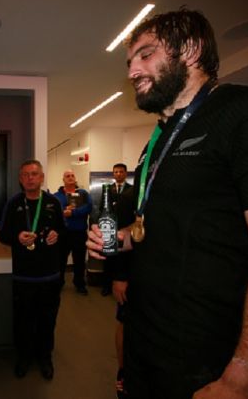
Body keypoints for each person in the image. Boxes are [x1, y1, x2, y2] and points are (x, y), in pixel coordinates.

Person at [86, 8, 248, 399]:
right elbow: (167, 221)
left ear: (192, 50)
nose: (132, 71)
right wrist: (125, 237)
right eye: (130, 62)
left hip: (209, 363)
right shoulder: (159, 138)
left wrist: (247, 377)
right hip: (147, 349)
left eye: (146, 55)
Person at [0, 159, 65, 381]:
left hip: (50, 275)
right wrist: (16, 237)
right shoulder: (13, 203)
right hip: (23, 276)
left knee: (48, 320)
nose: (30, 178)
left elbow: (63, 233)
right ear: (20, 179)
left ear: (42, 177)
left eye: (34, 174)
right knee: (23, 321)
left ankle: (45, 358)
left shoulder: (54, 203)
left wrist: (57, 235)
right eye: (25, 174)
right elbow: (2, 234)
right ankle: (23, 358)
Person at [106, 163, 136, 399]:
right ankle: (124, 371)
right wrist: (119, 276)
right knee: (125, 322)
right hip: (133, 270)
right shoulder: (129, 198)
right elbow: (120, 238)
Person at [53, 169, 92, 295]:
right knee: (60, 260)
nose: (70, 177)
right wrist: (64, 212)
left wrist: (73, 212)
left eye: (72, 175)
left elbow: (88, 207)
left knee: (79, 261)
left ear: (75, 179)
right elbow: (53, 211)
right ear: (63, 180)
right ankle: (59, 283)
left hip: (79, 233)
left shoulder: (83, 193)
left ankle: (79, 283)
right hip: (63, 234)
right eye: (67, 176)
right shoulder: (56, 196)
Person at [100, 163, 134, 297]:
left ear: (125, 173)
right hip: (110, 228)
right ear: (113, 174)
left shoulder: (133, 189)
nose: (118, 174)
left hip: (126, 228)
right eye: (116, 172)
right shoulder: (108, 189)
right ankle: (106, 286)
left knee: (125, 257)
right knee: (109, 258)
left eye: (121, 172)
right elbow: (102, 207)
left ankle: (124, 285)